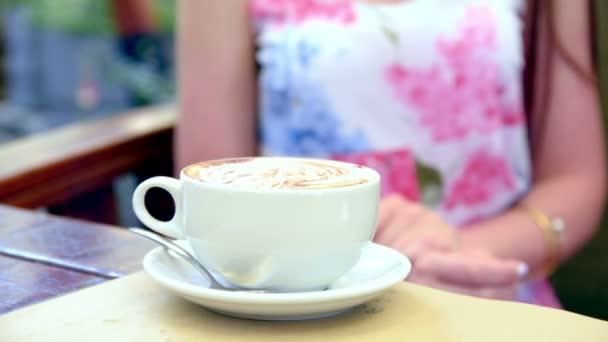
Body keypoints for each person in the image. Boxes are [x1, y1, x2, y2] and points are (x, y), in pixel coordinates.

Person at [176, 0, 606, 307]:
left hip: (483, 288)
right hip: (302, 302)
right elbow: (209, 179)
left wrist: (453, 256)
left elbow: (576, 179)